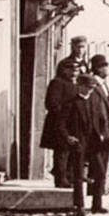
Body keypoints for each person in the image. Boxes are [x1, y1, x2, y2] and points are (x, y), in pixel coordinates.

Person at [64, 74, 106, 215]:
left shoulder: (95, 99)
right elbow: (60, 123)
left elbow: (101, 118)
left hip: (93, 142)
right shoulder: (70, 103)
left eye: (93, 88)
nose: (90, 90)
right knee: (78, 175)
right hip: (79, 142)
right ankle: (80, 206)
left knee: (100, 172)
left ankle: (97, 205)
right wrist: (68, 137)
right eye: (88, 87)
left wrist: (103, 133)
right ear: (80, 86)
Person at [40, 58, 78, 192]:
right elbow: (51, 103)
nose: (74, 72)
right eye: (71, 69)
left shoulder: (74, 84)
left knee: (70, 151)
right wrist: (63, 112)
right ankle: (60, 179)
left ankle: (67, 176)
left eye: (76, 69)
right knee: (61, 151)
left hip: (71, 122)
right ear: (63, 70)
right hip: (58, 122)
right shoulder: (57, 83)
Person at [88, 54, 109, 211]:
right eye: (105, 66)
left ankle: (97, 200)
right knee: (98, 168)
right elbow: (95, 112)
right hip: (98, 134)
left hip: (105, 133)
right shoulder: (94, 86)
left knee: (101, 167)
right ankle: (96, 203)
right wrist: (100, 132)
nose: (107, 68)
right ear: (98, 68)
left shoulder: (104, 84)